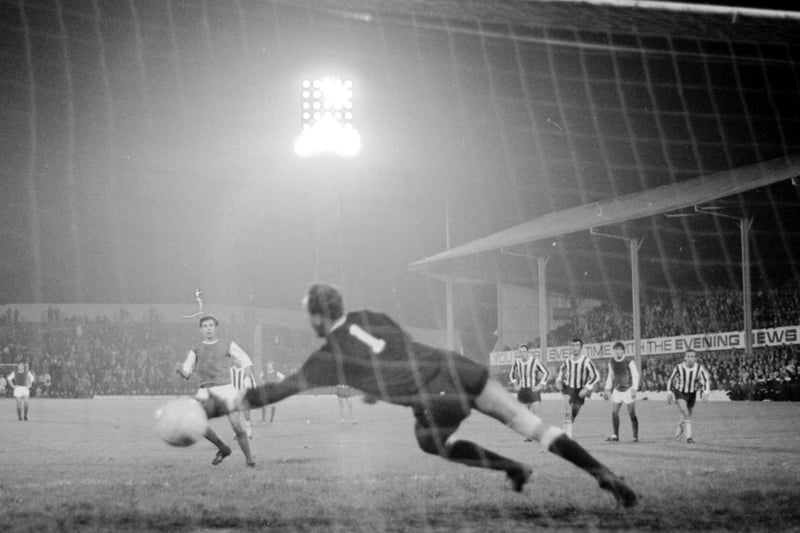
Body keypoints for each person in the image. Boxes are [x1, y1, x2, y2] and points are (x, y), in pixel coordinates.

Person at [199, 284, 637, 507]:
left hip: (436, 394)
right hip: (459, 367)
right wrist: (377, 386)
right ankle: (603, 474)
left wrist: (224, 403)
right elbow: (396, 352)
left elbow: (278, 389)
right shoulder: (371, 315)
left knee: (431, 442)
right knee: (531, 425)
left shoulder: (326, 357)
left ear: (317, 317)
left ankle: (513, 468)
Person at [176, 315, 256, 467]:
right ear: (201, 330)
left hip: (225, 388)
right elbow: (187, 373)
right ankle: (223, 448)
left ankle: (249, 460)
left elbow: (245, 361)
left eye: (211, 325)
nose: (208, 328)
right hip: (205, 390)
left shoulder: (227, 344)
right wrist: (180, 369)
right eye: (205, 326)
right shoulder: (196, 349)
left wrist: (246, 377)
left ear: (216, 327)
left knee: (236, 425)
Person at [555, 338, 600, 438]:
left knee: (573, 413)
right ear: (570, 347)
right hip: (568, 388)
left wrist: (586, 388)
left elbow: (596, 376)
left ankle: (566, 431)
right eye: (572, 346)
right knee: (567, 412)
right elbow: (561, 372)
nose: (574, 348)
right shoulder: (567, 361)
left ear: (581, 347)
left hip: (580, 390)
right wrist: (558, 380)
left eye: (577, 346)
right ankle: (567, 437)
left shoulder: (586, 361)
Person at [666, 349, 710, 444]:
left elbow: (705, 380)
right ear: (685, 358)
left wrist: (706, 392)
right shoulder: (679, 367)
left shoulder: (699, 368)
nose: (690, 359)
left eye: (692, 356)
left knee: (687, 415)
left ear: (695, 358)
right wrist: (669, 393)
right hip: (679, 392)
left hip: (692, 393)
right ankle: (688, 437)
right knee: (685, 413)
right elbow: (670, 380)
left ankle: (680, 427)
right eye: (688, 356)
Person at [603, 342, 640, 443]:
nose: (618, 351)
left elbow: (635, 375)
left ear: (623, 351)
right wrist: (607, 389)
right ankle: (615, 435)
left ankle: (635, 436)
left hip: (628, 390)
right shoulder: (611, 362)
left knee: (632, 413)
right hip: (617, 390)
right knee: (614, 412)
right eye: (616, 350)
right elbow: (610, 376)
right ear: (614, 351)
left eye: (620, 349)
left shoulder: (629, 361)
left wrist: (634, 389)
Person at [508, 343, 550, 418]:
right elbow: (511, 374)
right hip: (522, 390)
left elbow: (546, 372)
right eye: (520, 352)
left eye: (524, 351)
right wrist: (515, 384)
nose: (522, 353)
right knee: (523, 416)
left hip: (533, 390)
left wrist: (540, 385)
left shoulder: (535, 361)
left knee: (536, 414)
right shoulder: (517, 362)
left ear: (528, 352)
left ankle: (537, 430)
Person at [230, 365, 258, 439]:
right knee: (235, 417)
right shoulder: (230, 370)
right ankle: (235, 434)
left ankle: (249, 434)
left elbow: (253, 384)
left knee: (247, 416)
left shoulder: (246, 371)